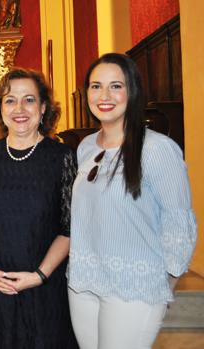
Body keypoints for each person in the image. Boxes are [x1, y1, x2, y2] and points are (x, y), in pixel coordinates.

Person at [67, 53, 197, 349]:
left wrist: (165, 285)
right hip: (84, 282)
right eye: (96, 86)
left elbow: (179, 223)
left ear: (132, 91)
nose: (104, 95)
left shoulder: (157, 149)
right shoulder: (85, 147)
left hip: (134, 285)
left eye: (116, 86)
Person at [0, 68, 78, 348]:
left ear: (43, 108)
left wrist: (38, 276)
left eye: (29, 100)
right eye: (10, 100)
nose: (19, 108)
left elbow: (70, 228)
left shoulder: (62, 158)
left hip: (44, 289)